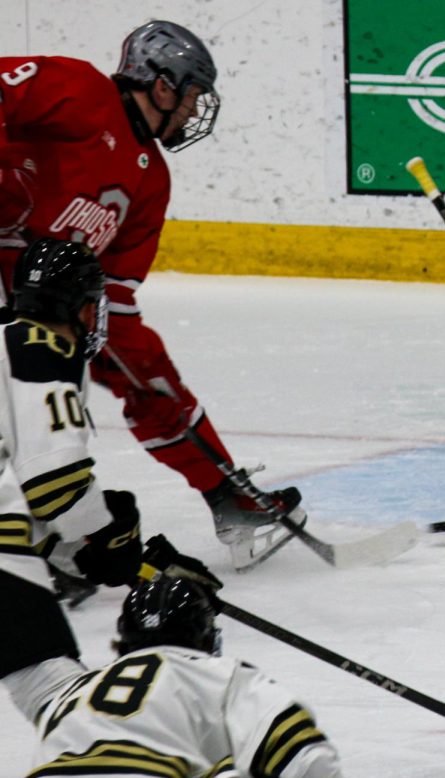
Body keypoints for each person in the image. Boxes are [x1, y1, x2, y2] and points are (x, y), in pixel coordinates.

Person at [0, 20, 304, 570]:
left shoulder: (151, 179)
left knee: (135, 375)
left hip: (44, 314)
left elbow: (111, 290)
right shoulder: (81, 90)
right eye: (191, 95)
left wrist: (132, 361)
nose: (192, 112)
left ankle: (221, 495)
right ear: (161, 84)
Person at [0, 545, 395, 778]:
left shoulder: (71, 692)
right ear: (206, 636)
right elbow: (306, 760)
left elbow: (26, 652)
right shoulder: (222, 678)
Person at [0, 237, 144, 711]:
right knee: (53, 687)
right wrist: (105, 537)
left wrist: (77, 554)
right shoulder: (40, 351)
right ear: (76, 306)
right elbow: (54, 488)